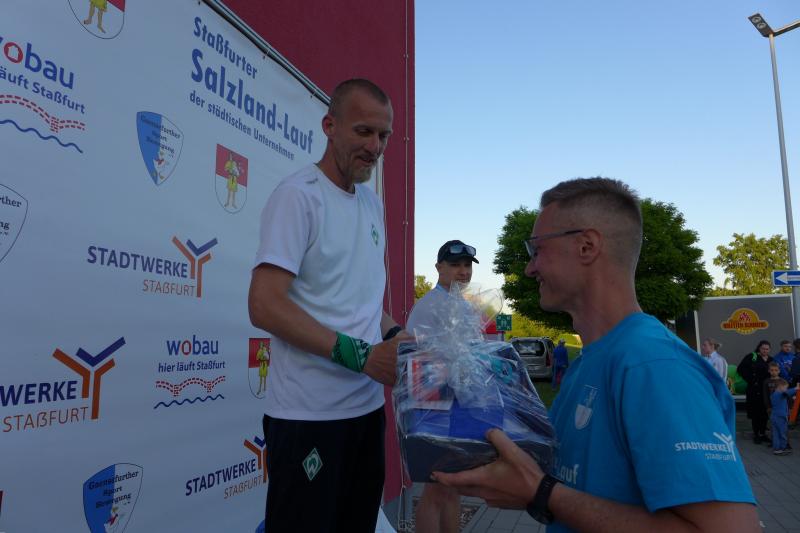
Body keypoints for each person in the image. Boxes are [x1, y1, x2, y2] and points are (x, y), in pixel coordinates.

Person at [433, 178, 758, 532]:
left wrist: (541, 492)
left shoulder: (655, 366)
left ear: (587, 246)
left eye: (537, 250)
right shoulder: (589, 363)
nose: (530, 267)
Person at [248, 79, 408, 532]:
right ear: (329, 126)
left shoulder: (372, 205)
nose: (375, 147)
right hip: (309, 417)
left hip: (366, 412)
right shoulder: (298, 195)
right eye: (363, 131)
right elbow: (264, 305)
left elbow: (362, 303)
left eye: (383, 136)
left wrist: (399, 337)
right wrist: (363, 356)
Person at [405, 239, 479, 533]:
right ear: (438, 268)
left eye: (467, 266)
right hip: (434, 407)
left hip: (460, 405)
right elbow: (412, 359)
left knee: (452, 488)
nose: (463, 271)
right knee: (436, 489)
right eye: (455, 265)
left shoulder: (465, 306)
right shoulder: (427, 306)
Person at [737, 340, 773, 444]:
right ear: (759, 348)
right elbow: (740, 369)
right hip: (754, 390)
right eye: (763, 349)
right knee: (756, 412)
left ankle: (763, 434)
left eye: (767, 349)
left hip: (766, 390)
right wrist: (752, 380)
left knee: (765, 413)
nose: (765, 351)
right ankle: (756, 434)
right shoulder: (752, 357)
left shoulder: (771, 359)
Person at [769, 379, 799, 455]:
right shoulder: (780, 394)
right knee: (782, 433)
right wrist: (796, 388)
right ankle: (783, 447)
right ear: (780, 387)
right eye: (785, 387)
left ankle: (776, 449)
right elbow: (787, 393)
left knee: (776, 434)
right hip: (780, 417)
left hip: (774, 416)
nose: (786, 389)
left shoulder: (774, 394)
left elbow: (786, 395)